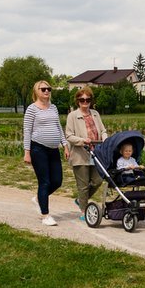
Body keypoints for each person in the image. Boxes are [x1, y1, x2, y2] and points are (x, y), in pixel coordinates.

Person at [23, 80, 70, 226]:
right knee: (44, 182)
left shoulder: (53, 108)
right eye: (43, 89)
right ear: (36, 91)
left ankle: (38, 199)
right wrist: (27, 152)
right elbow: (27, 131)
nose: (46, 91)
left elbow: (58, 127)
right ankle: (45, 215)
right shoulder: (32, 109)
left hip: (53, 149)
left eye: (48, 89)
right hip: (38, 149)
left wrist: (65, 145)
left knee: (57, 181)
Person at [65, 87, 107, 220]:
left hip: (96, 153)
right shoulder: (72, 116)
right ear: (78, 101)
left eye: (88, 100)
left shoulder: (95, 114)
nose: (85, 102)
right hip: (80, 154)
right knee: (82, 186)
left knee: (98, 180)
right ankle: (83, 210)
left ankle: (81, 200)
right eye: (82, 100)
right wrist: (82, 140)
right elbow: (69, 136)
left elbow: (103, 130)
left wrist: (105, 139)